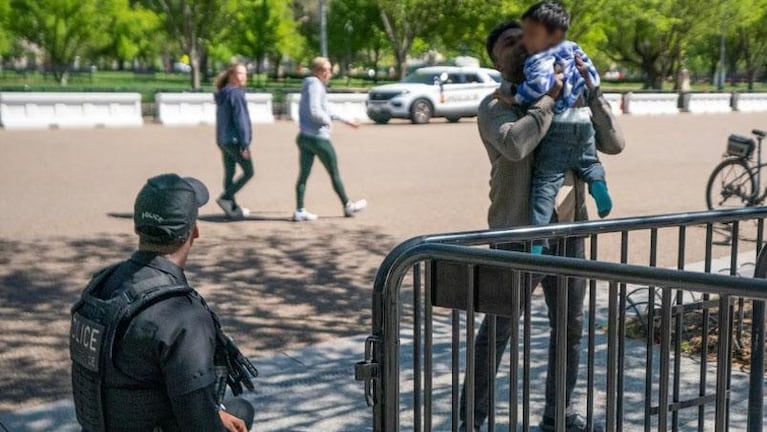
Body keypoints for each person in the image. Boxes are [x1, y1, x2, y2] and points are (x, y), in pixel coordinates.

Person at [458, 18, 625, 432]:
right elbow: (516, 145)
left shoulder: (571, 96)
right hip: (517, 234)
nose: (518, 47)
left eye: (522, 40)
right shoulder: (495, 107)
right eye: (506, 45)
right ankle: (470, 420)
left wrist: (595, 95)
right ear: (495, 60)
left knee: (569, 329)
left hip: (568, 233)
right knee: (496, 332)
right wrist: (547, 100)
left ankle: (559, 414)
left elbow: (614, 144)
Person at [70, 174, 257, 432]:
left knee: (231, 412)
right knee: (242, 411)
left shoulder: (102, 285)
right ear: (194, 232)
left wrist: (215, 412)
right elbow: (200, 427)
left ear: (137, 227)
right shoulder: (182, 315)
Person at [515, 1, 612, 253]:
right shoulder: (576, 50)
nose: (525, 41)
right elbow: (594, 78)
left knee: (546, 183)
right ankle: (598, 186)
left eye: (529, 34)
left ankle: (537, 242)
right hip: (583, 120)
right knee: (589, 163)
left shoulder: (538, 58)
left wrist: (516, 97)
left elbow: (540, 86)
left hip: (558, 125)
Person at [293, 56, 367, 222]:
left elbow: (326, 109)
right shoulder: (315, 85)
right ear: (320, 71)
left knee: (303, 175)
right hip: (318, 139)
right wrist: (327, 123)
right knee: (334, 173)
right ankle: (348, 206)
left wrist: (346, 121)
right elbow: (315, 111)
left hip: (304, 137)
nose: (330, 73)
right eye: (328, 70)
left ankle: (299, 210)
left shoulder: (311, 85)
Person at [215, 63, 254, 219]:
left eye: (245, 73)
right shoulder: (236, 94)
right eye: (240, 73)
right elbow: (241, 120)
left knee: (230, 173)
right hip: (235, 140)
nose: (243, 77)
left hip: (223, 139)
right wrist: (245, 144)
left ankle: (232, 208)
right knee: (249, 172)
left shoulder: (223, 93)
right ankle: (226, 198)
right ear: (231, 75)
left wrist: (219, 139)